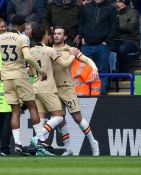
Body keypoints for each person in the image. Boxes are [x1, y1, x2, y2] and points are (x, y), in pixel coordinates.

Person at [0, 15, 48, 155]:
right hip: (20, 76)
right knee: (32, 106)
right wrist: (40, 70)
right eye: (24, 25)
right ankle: (40, 139)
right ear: (21, 25)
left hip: (7, 78)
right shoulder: (22, 38)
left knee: (15, 110)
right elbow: (27, 57)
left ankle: (18, 144)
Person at [28, 25, 80, 155]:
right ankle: (38, 139)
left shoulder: (29, 51)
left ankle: (40, 150)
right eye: (47, 34)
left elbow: (29, 72)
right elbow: (64, 64)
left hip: (35, 88)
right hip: (48, 88)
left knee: (41, 120)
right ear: (44, 36)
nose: (50, 36)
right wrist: (73, 55)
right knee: (59, 117)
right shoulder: (49, 51)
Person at [52, 26, 100, 156]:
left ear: (65, 37)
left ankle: (93, 142)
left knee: (77, 117)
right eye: (55, 33)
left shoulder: (71, 50)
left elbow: (87, 59)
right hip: (54, 89)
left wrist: (94, 69)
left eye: (59, 34)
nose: (56, 36)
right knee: (60, 119)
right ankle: (68, 149)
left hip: (67, 88)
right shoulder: (49, 50)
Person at [79, 0, 118, 94]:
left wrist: (107, 41)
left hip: (102, 45)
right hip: (86, 44)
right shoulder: (86, 7)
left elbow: (115, 26)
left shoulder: (111, 8)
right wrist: (82, 36)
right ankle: (85, 92)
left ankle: (101, 93)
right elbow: (81, 22)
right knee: (85, 70)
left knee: (102, 69)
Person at [110, 0, 139, 73]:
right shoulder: (114, 12)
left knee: (122, 49)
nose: (117, 4)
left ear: (124, 2)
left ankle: (124, 72)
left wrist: (116, 27)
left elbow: (130, 27)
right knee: (105, 48)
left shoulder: (133, 12)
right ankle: (112, 72)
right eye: (116, 2)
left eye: (119, 2)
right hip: (116, 40)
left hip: (131, 40)